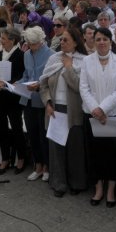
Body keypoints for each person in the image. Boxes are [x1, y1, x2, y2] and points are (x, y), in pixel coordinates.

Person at [80, 27, 116, 208]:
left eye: (104, 39)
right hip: (92, 115)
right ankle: (99, 188)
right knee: (95, 153)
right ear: (93, 40)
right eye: (98, 39)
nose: (101, 42)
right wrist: (95, 109)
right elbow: (83, 87)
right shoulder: (87, 61)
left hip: (113, 114)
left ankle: (111, 191)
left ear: (110, 41)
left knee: (113, 155)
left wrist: (103, 108)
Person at [40, 26, 88, 197]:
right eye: (61, 39)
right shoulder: (54, 59)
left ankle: (77, 183)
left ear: (75, 42)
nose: (62, 42)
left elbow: (78, 87)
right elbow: (43, 84)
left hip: (74, 110)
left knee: (75, 149)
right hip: (55, 109)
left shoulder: (84, 61)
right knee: (56, 149)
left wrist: (68, 68)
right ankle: (58, 183)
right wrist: (47, 102)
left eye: (66, 40)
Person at [0, 26, 27, 175]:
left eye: (3, 38)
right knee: (1, 128)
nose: (1, 41)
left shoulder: (20, 55)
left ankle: (21, 157)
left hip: (12, 98)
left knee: (16, 128)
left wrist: (6, 83)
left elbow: (21, 75)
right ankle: (5, 158)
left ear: (13, 40)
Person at [20, 26, 53, 182]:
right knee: (32, 134)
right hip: (28, 98)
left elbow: (51, 80)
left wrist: (39, 85)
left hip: (42, 99)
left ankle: (47, 166)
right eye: (29, 43)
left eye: (34, 44)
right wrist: (16, 84)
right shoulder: (26, 54)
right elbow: (26, 75)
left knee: (43, 135)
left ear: (41, 41)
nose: (31, 47)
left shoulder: (51, 55)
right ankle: (38, 165)